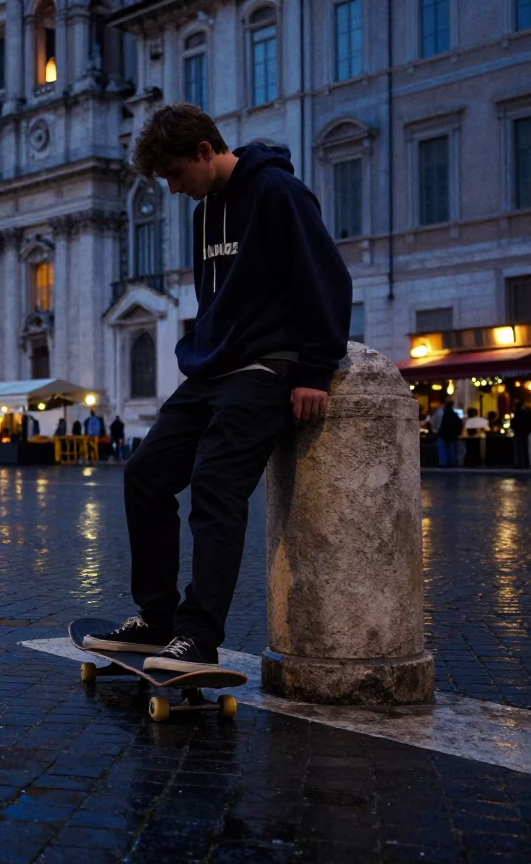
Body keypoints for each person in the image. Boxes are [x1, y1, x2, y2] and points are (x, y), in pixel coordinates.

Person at [84, 104, 352, 674]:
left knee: (214, 486)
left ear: (206, 150)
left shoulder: (280, 193)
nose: (175, 189)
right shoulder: (205, 212)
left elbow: (326, 278)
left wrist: (313, 372)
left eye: (179, 174)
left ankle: (198, 636)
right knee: (144, 473)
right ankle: (155, 619)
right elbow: (213, 298)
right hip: (213, 369)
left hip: (268, 368)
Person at [436, 401, 463, 468]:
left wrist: (435, 430)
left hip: (442, 434)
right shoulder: (455, 414)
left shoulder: (441, 413)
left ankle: (443, 463)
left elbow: (435, 423)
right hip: (452, 435)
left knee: (442, 449)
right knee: (451, 449)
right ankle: (452, 463)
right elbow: (459, 424)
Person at [513, 401, 531, 470]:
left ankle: (520, 464)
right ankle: (526, 463)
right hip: (524, 432)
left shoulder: (517, 413)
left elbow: (515, 422)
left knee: (519, 449)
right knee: (525, 448)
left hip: (519, 432)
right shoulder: (526, 414)